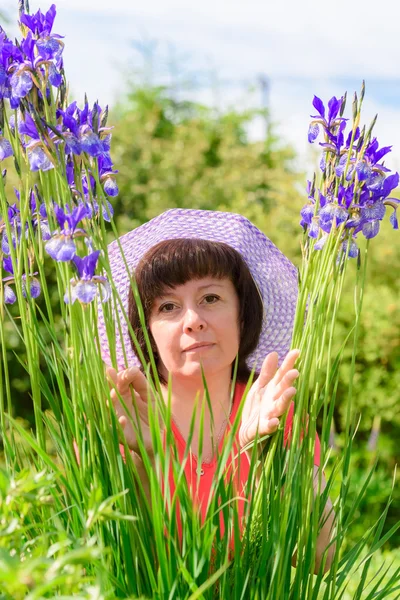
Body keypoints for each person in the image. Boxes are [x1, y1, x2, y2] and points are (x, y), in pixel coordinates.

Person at [97, 208, 335, 573]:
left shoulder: (280, 415)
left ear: (243, 314)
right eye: (169, 306)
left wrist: (262, 456)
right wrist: (147, 461)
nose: (193, 320)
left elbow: (320, 560)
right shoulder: (122, 421)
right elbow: (118, 571)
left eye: (210, 298)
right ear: (146, 330)